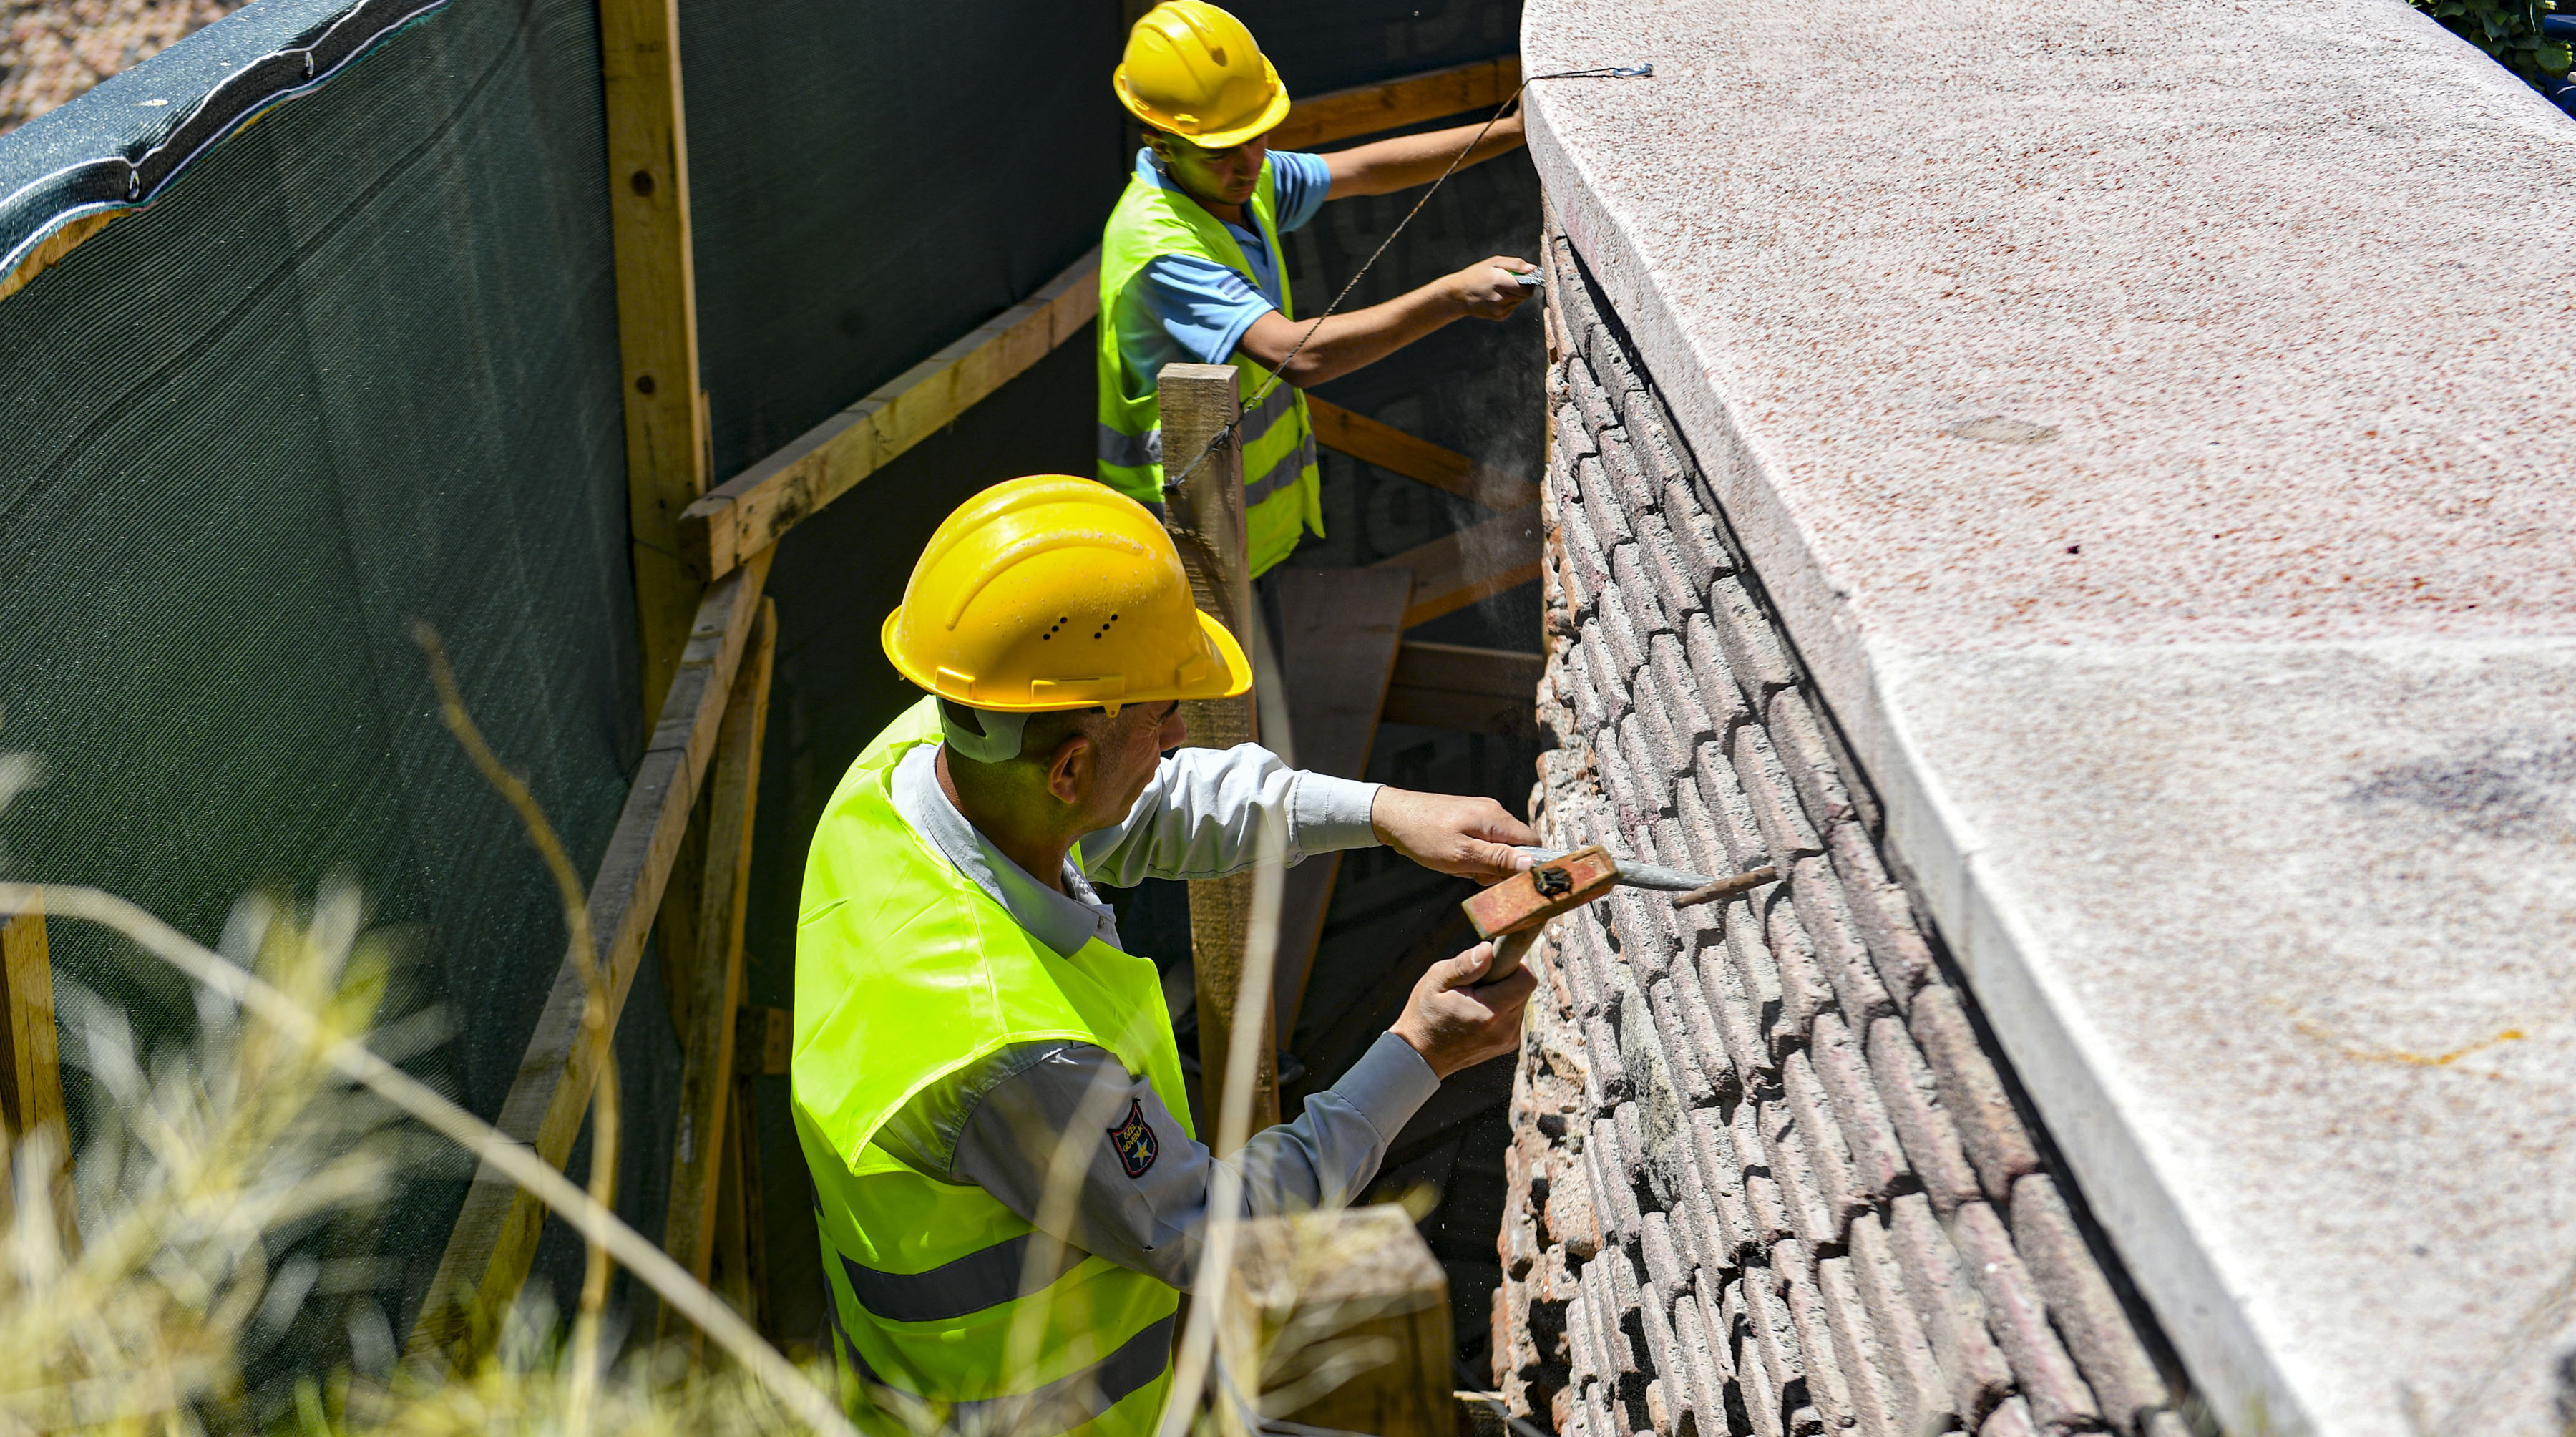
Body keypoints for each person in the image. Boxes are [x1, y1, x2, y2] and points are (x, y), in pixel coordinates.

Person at [793, 476, 1542, 1434]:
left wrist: (1383, 814)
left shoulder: (920, 764)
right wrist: (1419, 1055)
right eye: (1160, 719)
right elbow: (1217, 1233)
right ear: (1068, 766)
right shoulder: (1010, 1050)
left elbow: (1147, 803)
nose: (1180, 736)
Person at [1098, 0, 1538, 578]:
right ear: (1161, 141)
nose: (1250, 162)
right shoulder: (1161, 247)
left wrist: (1513, 130)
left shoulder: (1227, 180)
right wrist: (1451, 297)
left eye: (1256, 138)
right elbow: (1295, 354)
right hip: (1180, 541)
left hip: (1245, 527)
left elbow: (1362, 169)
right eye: (1223, 151)